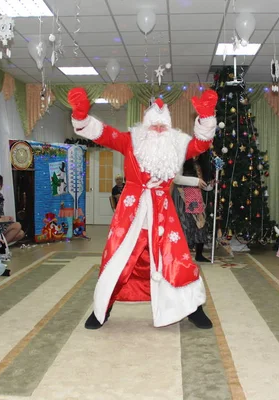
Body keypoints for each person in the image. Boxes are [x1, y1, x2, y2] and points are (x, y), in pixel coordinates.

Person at [68, 87, 218, 330]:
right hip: (131, 211)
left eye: (162, 126)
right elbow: (104, 134)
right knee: (118, 257)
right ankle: (102, 309)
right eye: (154, 125)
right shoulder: (130, 141)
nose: (158, 130)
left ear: (168, 127)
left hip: (163, 212)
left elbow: (201, 144)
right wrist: (82, 117)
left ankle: (193, 308)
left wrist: (206, 118)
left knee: (177, 258)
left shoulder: (177, 145)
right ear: (145, 126)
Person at [172, 154, 213, 262]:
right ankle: (181, 255)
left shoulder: (201, 163)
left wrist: (211, 185)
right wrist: (195, 181)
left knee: (201, 224)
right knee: (184, 224)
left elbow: (204, 185)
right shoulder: (182, 159)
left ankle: (199, 254)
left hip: (196, 196)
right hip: (182, 195)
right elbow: (176, 178)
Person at [0, 174, 25, 245]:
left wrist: (6, 218)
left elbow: (0, 212)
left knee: (21, 234)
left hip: (1, 222)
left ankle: (1, 244)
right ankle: (1, 246)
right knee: (17, 225)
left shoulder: (0, 195)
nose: (2, 185)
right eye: (1, 183)